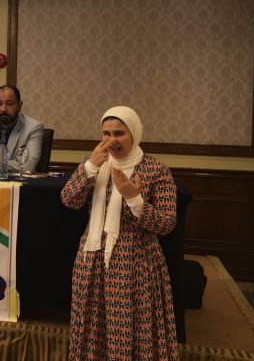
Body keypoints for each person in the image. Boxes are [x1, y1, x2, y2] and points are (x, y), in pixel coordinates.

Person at [60, 106, 178, 360]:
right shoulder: (95, 162)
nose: (112, 140)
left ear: (134, 134)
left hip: (134, 263)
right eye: (106, 133)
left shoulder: (155, 170)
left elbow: (167, 224)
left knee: (126, 332)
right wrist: (90, 167)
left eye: (119, 133)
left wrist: (135, 199)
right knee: (90, 328)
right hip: (91, 259)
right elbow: (69, 199)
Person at [0, 84, 44, 173]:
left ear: (19, 106)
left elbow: (28, 166)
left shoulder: (34, 127)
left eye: (9, 103)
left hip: (16, 180)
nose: (3, 109)